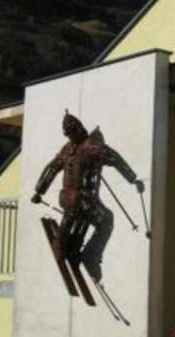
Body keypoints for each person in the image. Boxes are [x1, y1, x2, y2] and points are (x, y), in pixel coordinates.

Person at [31, 110, 144, 282]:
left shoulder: (67, 149)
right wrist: (133, 178)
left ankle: (67, 245)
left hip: (66, 198)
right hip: (85, 201)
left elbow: (51, 168)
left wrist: (39, 191)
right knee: (106, 219)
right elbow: (116, 159)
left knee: (81, 214)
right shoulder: (92, 146)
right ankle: (89, 255)